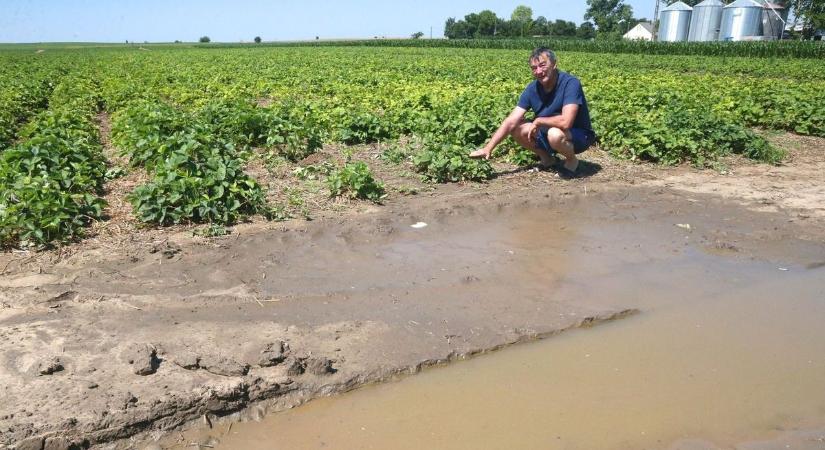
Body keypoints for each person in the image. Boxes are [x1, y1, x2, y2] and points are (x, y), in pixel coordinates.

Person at [469, 47, 595, 178]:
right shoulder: (532, 88)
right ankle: (547, 159)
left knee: (554, 134)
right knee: (517, 127)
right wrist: (488, 148)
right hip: (549, 132)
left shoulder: (570, 83)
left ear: (554, 64)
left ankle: (571, 160)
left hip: (579, 135)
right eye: (534, 68)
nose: (538, 71)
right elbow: (511, 120)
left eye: (542, 65)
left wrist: (539, 121)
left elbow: (566, 122)